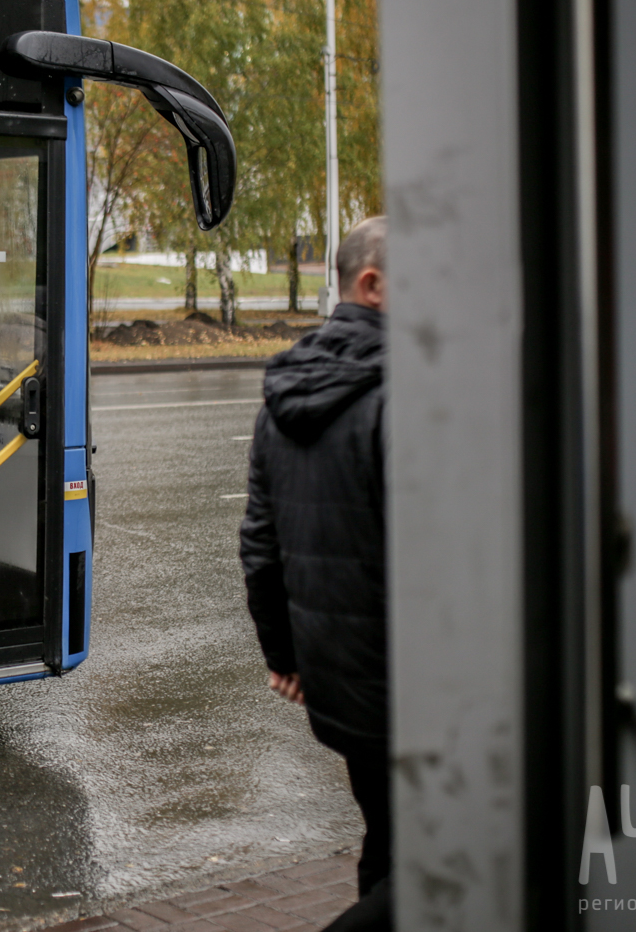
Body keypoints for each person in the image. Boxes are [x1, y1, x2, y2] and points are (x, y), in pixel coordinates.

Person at [241, 216, 390, 931]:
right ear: (373, 284)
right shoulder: (403, 394)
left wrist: (287, 658)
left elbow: (260, 548)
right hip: (411, 688)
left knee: (388, 842)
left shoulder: (283, 395)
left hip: (339, 687)